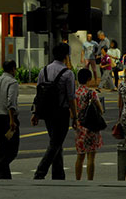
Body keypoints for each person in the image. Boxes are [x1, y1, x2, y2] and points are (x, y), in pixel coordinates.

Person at [31, 43, 77, 180]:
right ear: (66, 56)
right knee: (55, 143)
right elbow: (71, 97)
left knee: (56, 142)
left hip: (46, 112)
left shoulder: (43, 71)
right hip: (61, 112)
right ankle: (40, 172)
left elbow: (38, 94)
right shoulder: (68, 74)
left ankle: (58, 174)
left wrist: (36, 113)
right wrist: (75, 116)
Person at [74, 69, 103, 180]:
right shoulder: (91, 93)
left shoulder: (75, 93)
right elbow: (100, 109)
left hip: (79, 127)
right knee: (91, 156)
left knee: (80, 156)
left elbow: (71, 110)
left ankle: (78, 180)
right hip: (91, 126)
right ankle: (90, 180)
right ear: (89, 79)